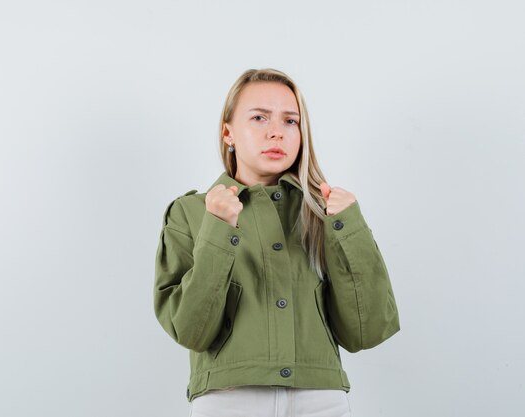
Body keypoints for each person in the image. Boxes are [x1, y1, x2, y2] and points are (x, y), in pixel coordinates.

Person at [153, 68, 400, 417]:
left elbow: (367, 330)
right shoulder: (190, 213)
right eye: (258, 117)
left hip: (321, 399)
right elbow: (191, 329)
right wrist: (219, 227)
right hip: (229, 399)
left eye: (290, 121)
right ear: (228, 133)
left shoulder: (326, 212)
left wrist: (348, 226)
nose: (276, 132)